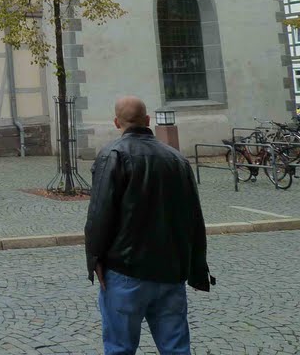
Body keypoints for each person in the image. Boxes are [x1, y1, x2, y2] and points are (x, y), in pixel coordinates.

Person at [85, 96, 212, 355]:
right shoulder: (177, 159)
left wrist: (94, 260)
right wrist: (196, 268)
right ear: (147, 120)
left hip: (125, 269)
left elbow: (100, 214)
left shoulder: (113, 155)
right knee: (176, 348)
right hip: (170, 270)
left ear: (116, 122)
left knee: (120, 348)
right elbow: (194, 219)